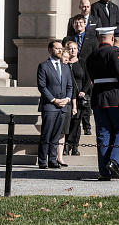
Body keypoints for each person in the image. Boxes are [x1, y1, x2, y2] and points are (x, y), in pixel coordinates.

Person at [86, 27, 119, 181]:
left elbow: (91, 76)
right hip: (115, 97)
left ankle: (104, 172)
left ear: (99, 39)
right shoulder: (115, 53)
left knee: (103, 135)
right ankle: (114, 161)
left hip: (98, 98)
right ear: (112, 39)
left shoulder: (91, 56)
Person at [36, 40, 73, 169]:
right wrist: (53, 100)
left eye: (61, 48)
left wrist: (67, 99)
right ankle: (42, 160)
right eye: (57, 48)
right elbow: (42, 86)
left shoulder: (65, 67)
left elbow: (70, 85)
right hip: (50, 105)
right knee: (46, 133)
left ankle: (53, 159)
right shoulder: (44, 66)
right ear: (50, 50)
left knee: (57, 134)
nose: (59, 51)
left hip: (63, 106)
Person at [63, 14, 98, 136]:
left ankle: (87, 126)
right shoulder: (68, 39)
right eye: (76, 23)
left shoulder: (92, 39)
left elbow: (95, 56)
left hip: (87, 72)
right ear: (73, 25)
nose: (78, 25)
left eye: (81, 23)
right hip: (72, 70)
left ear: (85, 24)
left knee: (86, 101)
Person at [64, 40, 90, 156]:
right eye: (70, 48)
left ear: (78, 50)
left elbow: (88, 79)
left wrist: (84, 91)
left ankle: (74, 146)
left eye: (75, 48)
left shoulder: (82, 62)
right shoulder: (65, 63)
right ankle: (65, 145)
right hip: (67, 94)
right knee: (67, 121)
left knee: (77, 121)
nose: (73, 51)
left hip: (79, 94)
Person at [55, 50, 75, 167]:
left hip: (66, 103)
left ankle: (60, 157)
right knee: (54, 132)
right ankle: (52, 156)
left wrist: (71, 103)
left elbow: (71, 87)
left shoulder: (68, 70)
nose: (66, 60)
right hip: (54, 103)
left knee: (63, 132)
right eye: (64, 57)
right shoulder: (53, 68)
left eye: (68, 58)